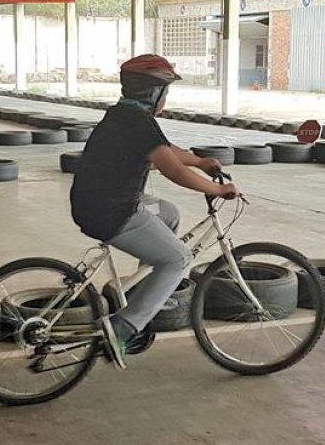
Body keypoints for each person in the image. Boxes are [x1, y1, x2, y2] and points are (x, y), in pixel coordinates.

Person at [70, 54, 237, 370]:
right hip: (114, 210)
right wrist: (217, 189)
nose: (167, 99)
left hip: (102, 200)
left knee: (168, 213)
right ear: (153, 92)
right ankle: (123, 326)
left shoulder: (125, 116)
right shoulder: (138, 123)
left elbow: (165, 149)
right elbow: (173, 170)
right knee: (178, 259)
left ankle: (143, 293)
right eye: (166, 92)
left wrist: (200, 161)